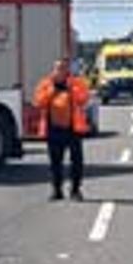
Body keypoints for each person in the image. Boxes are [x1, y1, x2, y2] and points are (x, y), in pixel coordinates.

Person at [33, 58, 91, 201]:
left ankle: (75, 190)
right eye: (58, 68)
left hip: (73, 129)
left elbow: (83, 99)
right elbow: (38, 102)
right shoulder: (46, 84)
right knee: (55, 162)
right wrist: (52, 91)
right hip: (53, 129)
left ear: (68, 70)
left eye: (63, 68)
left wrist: (71, 89)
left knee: (76, 161)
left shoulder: (76, 83)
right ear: (54, 69)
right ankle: (57, 190)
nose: (60, 71)